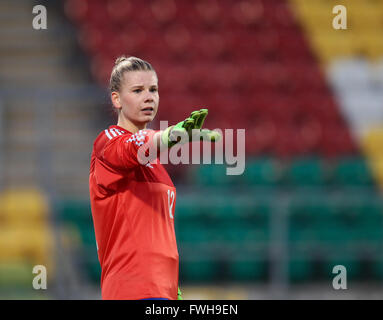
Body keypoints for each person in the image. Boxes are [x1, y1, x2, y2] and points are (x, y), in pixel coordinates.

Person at [89, 56, 220, 300]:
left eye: (153, 89)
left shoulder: (156, 165)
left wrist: (172, 289)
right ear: (116, 99)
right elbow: (133, 147)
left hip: (161, 292)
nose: (149, 96)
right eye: (138, 90)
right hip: (130, 290)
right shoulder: (107, 143)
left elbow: (158, 238)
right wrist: (170, 136)